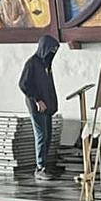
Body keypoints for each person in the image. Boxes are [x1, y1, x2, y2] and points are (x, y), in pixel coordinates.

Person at [19, 35, 60, 180]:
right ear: (45, 48)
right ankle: (40, 167)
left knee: (48, 135)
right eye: (52, 49)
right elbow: (23, 84)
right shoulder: (32, 63)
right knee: (41, 135)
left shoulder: (46, 64)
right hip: (36, 105)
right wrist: (37, 99)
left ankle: (45, 165)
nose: (53, 52)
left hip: (46, 105)